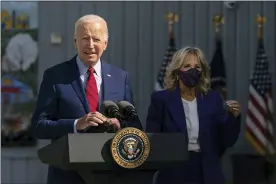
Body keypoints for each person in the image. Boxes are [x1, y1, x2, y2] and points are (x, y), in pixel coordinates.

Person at [31, 14, 142, 184]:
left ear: (105, 44)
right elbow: (39, 126)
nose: (90, 45)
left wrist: (121, 125)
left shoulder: (120, 77)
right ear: (75, 41)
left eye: (96, 39)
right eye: (84, 38)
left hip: (111, 173)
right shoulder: (55, 76)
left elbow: (135, 126)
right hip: (67, 176)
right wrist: (77, 124)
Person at [146, 47, 241, 184]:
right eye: (187, 66)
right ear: (178, 71)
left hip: (207, 171)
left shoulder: (212, 99)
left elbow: (227, 140)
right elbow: (153, 139)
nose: (193, 70)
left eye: (197, 67)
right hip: (173, 172)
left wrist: (234, 117)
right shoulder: (161, 100)